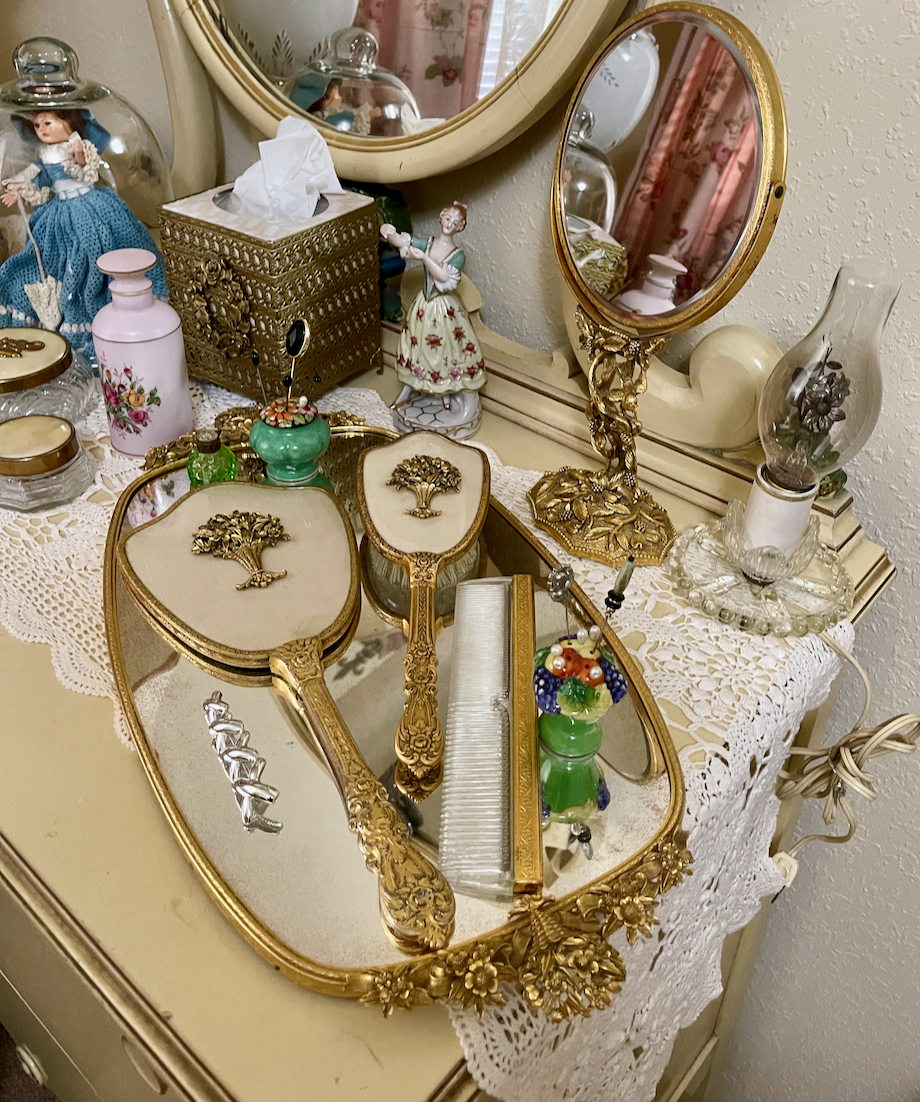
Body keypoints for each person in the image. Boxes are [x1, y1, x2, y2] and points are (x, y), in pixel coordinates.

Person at [0, 109, 167, 360]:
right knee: (50, 253)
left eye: (47, 123)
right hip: (59, 209)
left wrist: (78, 151)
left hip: (88, 203)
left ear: (68, 121)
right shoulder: (44, 154)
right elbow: (33, 176)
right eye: (37, 125)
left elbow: (84, 168)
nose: (42, 130)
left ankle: (115, 293)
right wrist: (18, 191)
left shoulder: (77, 144)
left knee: (102, 244)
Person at [380, 201, 485, 414]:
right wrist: (388, 232)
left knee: (444, 348)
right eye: (448, 218)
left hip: (443, 306)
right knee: (417, 344)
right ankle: (409, 387)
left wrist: (424, 258)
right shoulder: (428, 242)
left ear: (460, 227)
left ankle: (444, 390)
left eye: (455, 222)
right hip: (424, 305)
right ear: (441, 217)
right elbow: (403, 242)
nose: (450, 224)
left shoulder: (458, 255)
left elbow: (443, 277)